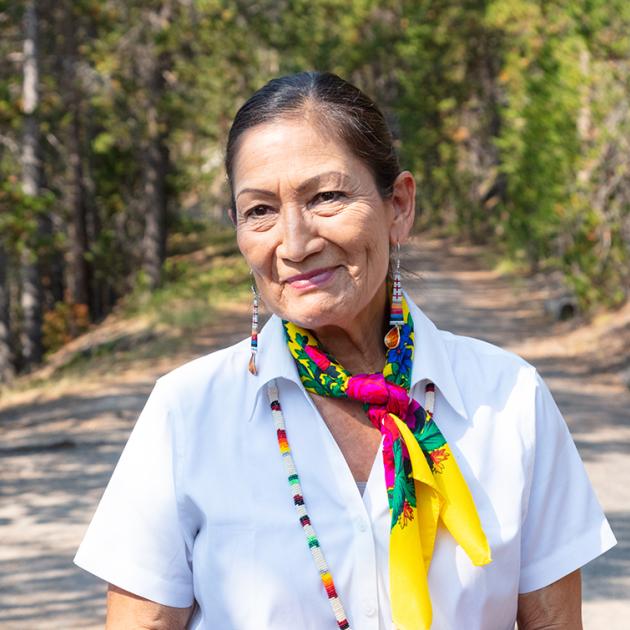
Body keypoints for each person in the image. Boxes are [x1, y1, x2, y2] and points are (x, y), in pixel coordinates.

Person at [75, 72, 616, 630]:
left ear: (398, 207)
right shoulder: (188, 413)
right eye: (259, 210)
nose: (294, 241)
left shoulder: (508, 400)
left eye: (326, 196)